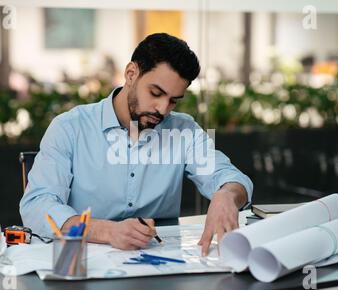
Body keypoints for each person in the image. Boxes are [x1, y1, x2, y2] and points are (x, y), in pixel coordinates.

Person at [20, 33, 253, 256]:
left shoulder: (184, 131)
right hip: (80, 268)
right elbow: (37, 206)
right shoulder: (69, 128)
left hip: (158, 267)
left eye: (173, 100)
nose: (162, 109)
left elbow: (231, 178)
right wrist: (107, 231)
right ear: (131, 74)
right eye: (155, 93)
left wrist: (226, 195)